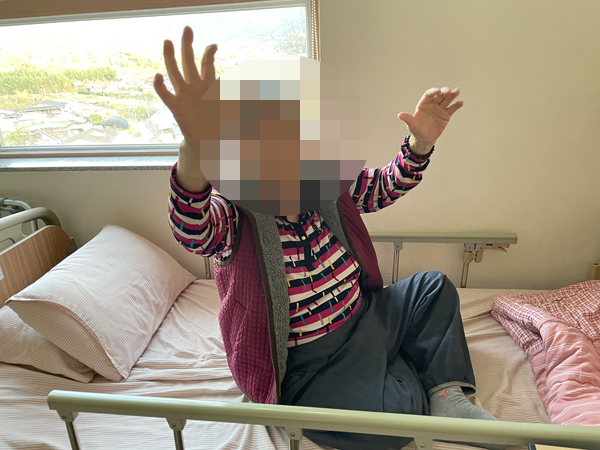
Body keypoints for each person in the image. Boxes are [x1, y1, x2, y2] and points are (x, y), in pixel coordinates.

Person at [155, 25, 501, 450]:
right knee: (398, 422)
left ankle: (447, 395)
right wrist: (193, 148)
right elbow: (192, 227)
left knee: (433, 287)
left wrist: (419, 143)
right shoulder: (236, 216)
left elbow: (385, 185)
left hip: (367, 314)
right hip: (310, 361)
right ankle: (404, 375)